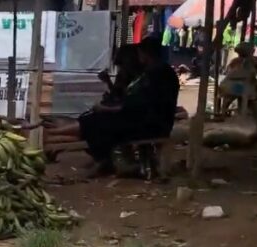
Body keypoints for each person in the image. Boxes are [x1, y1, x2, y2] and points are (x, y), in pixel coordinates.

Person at [43, 37, 178, 177]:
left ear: (144, 54)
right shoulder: (158, 72)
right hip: (149, 122)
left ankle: (100, 159)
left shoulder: (155, 75)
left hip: (150, 125)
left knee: (98, 123)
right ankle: (56, 137)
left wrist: (107, 109)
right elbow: (133, 103)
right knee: (97, 121)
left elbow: (135, 105)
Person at [219, 42, 257, 117]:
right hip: (242, 88)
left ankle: (223, 111)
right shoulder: (254, 61)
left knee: (229, 97)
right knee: (255, 91)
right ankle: (247, 112)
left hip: (226, 86)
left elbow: (228, 72)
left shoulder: (234, 61)